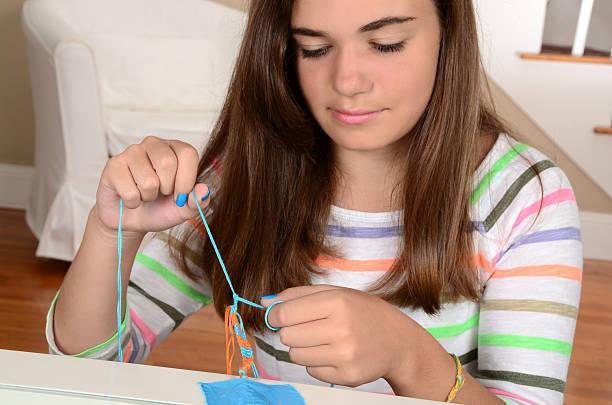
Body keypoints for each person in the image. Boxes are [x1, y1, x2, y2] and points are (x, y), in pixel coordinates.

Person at [46, 0, 582, 403]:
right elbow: (89, 359)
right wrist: (111, 231)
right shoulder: (241, 179)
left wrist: (409, 356)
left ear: (449, 34)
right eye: (315, 48)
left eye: (387, 43)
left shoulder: (526, 197)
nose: (346, 81)